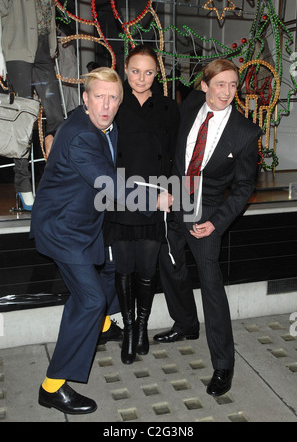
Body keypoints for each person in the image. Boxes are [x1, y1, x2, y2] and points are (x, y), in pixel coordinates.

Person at [30, 67, 172, 415]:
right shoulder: (81, 134)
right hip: (63, 229)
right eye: (98, 97)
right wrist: (155, 200)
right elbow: (109, 184)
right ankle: (52, 386)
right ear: (85, 99)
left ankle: (106, 324)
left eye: (112, 98)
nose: (105, 105)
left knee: (112, 269)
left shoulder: (106, 126)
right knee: (91, 300)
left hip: (84, 221)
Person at [155, 59, 261, 397]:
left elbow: (245, 187)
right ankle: (186, 325)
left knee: (211, 285)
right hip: (176, 204)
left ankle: (223, 364)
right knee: (169, 263)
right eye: (220, 85)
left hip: (208, 213)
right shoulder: (190, 106)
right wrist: (168, 190)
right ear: (205, 86)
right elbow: (177, 154)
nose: (227, 92)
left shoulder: (245, 132)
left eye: (233, 85)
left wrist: (215, 222)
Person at [104, 44, 180, 365]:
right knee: (124, 270)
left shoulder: (168, 108)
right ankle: (130, 327)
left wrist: (171, 192)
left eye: (149, 72)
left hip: (155, 197)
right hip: (120, 197)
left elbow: (175, 155)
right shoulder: (114, 104)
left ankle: (143, 327)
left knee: (147, 271)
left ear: (156, 73)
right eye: (135, 71)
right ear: (125, 69)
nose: (141, 78)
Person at [0, 0, 64, 210]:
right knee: (22, 120)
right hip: (17, 51)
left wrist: (52, 46)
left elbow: (47, 14)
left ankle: (56, 180)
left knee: (56, 116)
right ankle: (23, 185)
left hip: (42, 53)